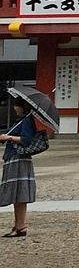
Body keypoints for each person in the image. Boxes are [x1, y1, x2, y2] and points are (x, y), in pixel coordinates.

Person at [0, 99, 40, 237]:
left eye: (17, 106)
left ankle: (21, 225)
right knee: (15, 193)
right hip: (13, 157)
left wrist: (9, 137)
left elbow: (26, 139)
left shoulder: (27, 121)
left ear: (23, 107)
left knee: (20, 192)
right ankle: (17, 225)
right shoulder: (20, 120)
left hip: (20, 159)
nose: (15, 108)